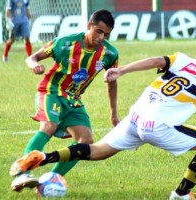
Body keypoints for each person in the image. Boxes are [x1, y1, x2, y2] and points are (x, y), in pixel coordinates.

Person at [10, 35, 196, 199]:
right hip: (157, 126)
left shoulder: (181, 59)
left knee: (97, 149)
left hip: (136, 115)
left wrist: (121, 70)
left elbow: (154, 60)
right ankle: (180, 196)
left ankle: (43, 157)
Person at [10, 9, 120, 192]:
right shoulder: (65, 43)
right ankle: (23, 173)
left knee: (85, 142)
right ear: (89, 26)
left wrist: (114, 113)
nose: (102, 37)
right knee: (48, 127)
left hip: (74, 99)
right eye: (98, 31)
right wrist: (34, 65)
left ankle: (50, 180)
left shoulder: (110, 53)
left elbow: (112, 83)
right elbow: (32, 57)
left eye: (106, 34)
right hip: (51, 91)